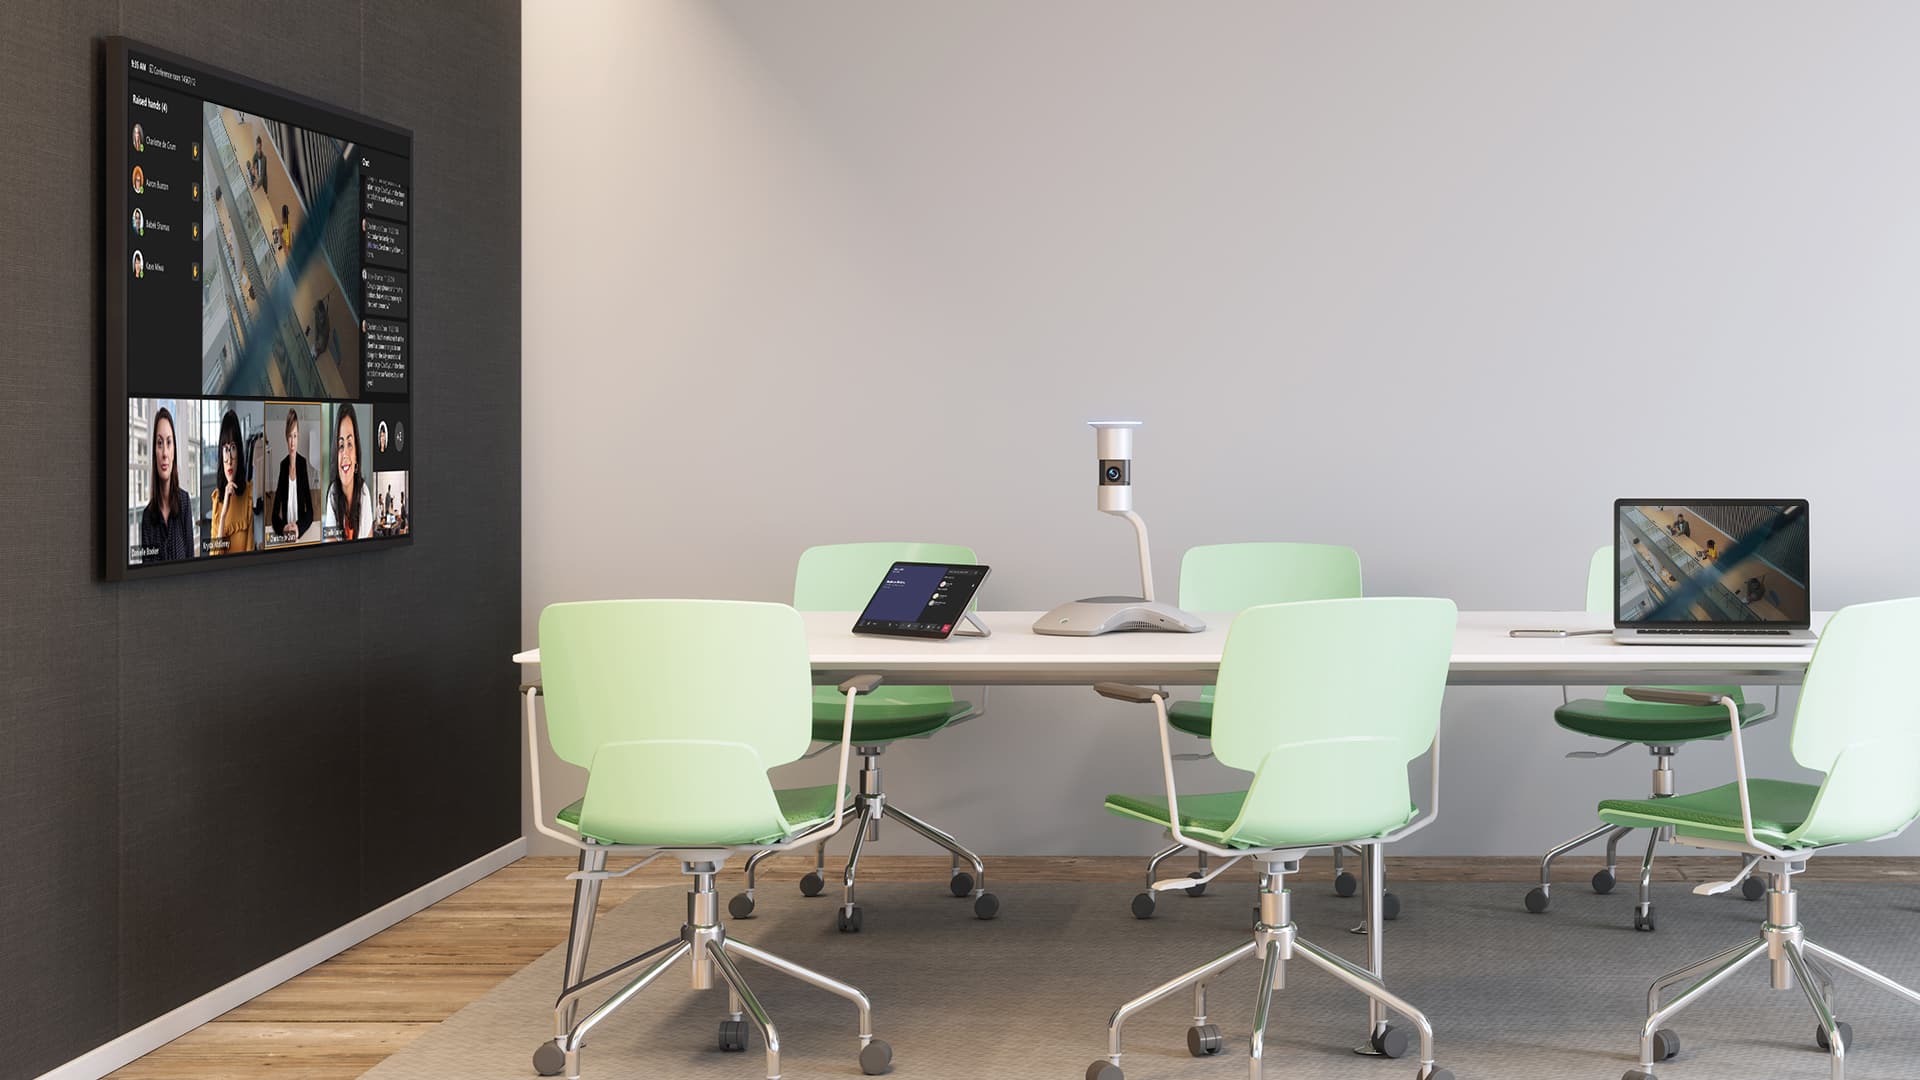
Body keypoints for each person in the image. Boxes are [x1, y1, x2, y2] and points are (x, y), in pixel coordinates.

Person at [138, 407, 195, 561]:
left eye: (169, 443)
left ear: (174, 450)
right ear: (154, 453)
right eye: (159, 443)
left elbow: (191, 562)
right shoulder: (147, 518)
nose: (164, 453)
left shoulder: (184, 503)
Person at [207, 409, 253, 556]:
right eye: (225, 449)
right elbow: (214, 556)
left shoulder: (249, 493)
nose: (229, 459)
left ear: (239, 452)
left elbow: (250, 549)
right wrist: (223, 515)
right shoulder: (216, 500)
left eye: (233, 448)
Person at [325, 407, 373, 539]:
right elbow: (330, 542)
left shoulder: (364, 493)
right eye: (341, 446)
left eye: (350, 444)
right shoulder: (332, 494)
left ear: (357, 454)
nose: (345, 454)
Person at [270, 408, 313, 541]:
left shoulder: (302, 463)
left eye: (295, 436)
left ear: (298, 436)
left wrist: (298, 528)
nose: (292, 442)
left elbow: (310, 511)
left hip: (299, 535)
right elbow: (274, 515)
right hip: (286, 535)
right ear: (286, 437)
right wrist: (284, 528)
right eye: (290, 436)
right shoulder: (283, 466)